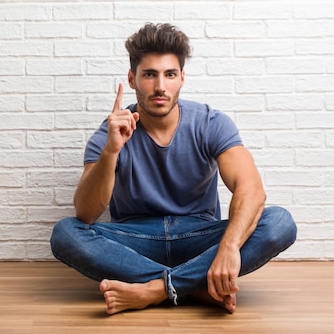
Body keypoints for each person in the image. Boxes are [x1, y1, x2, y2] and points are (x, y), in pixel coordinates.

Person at [50, 23, 297, 315]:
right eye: (149, 75)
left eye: (169, 75)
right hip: (136, 239)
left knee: (279, 222)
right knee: (65, 232)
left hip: (199, 235)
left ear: (181, 78)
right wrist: (111, 150)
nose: (160, 87)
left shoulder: (210, 123)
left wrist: (229, 247)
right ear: (132, 78)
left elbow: (252, 189)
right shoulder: (111, 131)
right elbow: (85, 213)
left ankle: (154, 290)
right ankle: (195, 286)